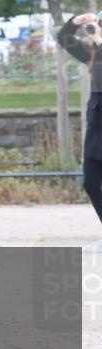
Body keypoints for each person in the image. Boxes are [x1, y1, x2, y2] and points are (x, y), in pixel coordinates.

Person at [56, 12, 102, 223]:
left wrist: (100, 42)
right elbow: (63, 37)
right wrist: (78, 20)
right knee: (90, 182)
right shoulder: (93, 53)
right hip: (97, 130)